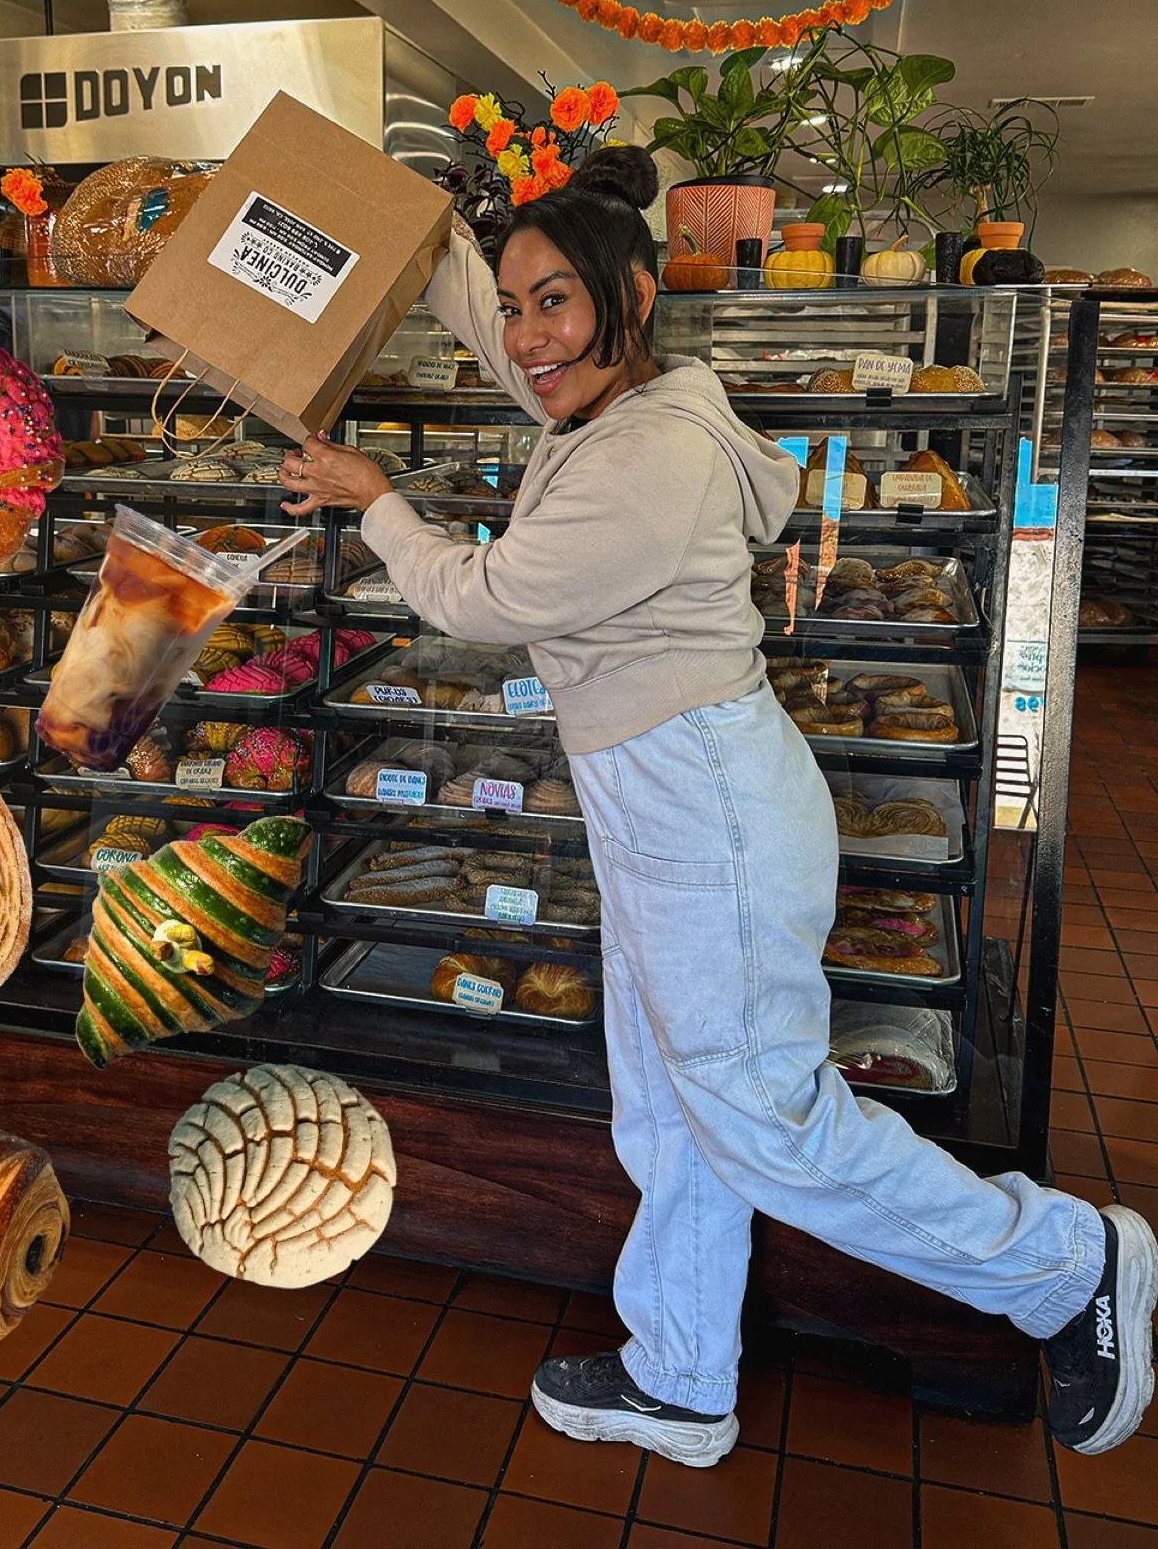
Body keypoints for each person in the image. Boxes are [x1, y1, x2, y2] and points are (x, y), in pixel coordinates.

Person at [278, 145, 1157, 1466]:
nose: (525, 339)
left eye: (555, 303)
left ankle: (1065, 1265)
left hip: (708, 815)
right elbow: (497, 323)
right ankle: (682, 1376)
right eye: (513, 306)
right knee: (670, 1113)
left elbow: (485, 600)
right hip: (663, 807)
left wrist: (378, 504)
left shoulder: (646, 458)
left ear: (632, 298)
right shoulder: (608, 416)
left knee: (766, 1126)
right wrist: (410, 229)